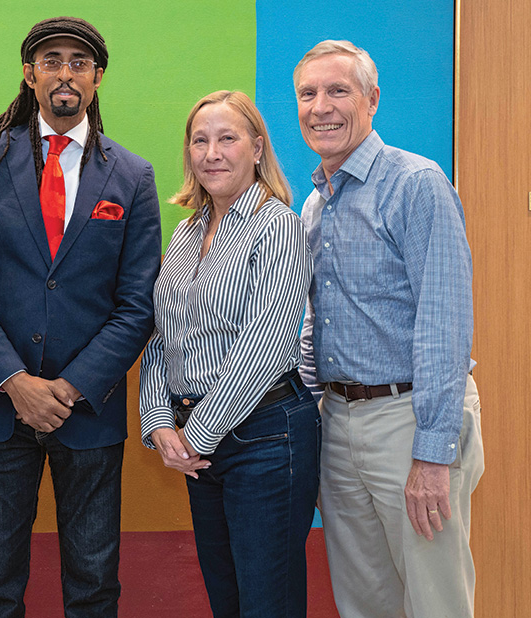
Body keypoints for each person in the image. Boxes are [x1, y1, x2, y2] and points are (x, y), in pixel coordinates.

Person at [0, 16, 162, 618]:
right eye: (50, 60)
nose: (65, 73)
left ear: (97, 77)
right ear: (29, 73)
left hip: (86, 409)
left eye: (79, 62)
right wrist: (16, 383)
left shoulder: (133, 176)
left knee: (93, 585)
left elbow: (137, 304)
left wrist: (67, 388)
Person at [295, 39, 484, 618]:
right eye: (307, 93)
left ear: (372, 100)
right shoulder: (315, 205)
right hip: (340, 421)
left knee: (436, 603)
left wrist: (432, 456)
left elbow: (445, 326)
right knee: (364, 603)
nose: (320, 106)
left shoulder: (415, 184)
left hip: (411, 423)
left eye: (337, 91)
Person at [139, 90, 318, 617]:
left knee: (268, 605)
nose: (211, 152)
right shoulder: (187, 232)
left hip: (267, 438)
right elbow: (160, 335)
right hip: (200, 446)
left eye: (227, 138)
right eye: (200, 140)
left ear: (257, 148)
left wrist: (195, 436)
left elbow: (269, 342)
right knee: (228, 602)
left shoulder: (278, 225)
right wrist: (160, 424)